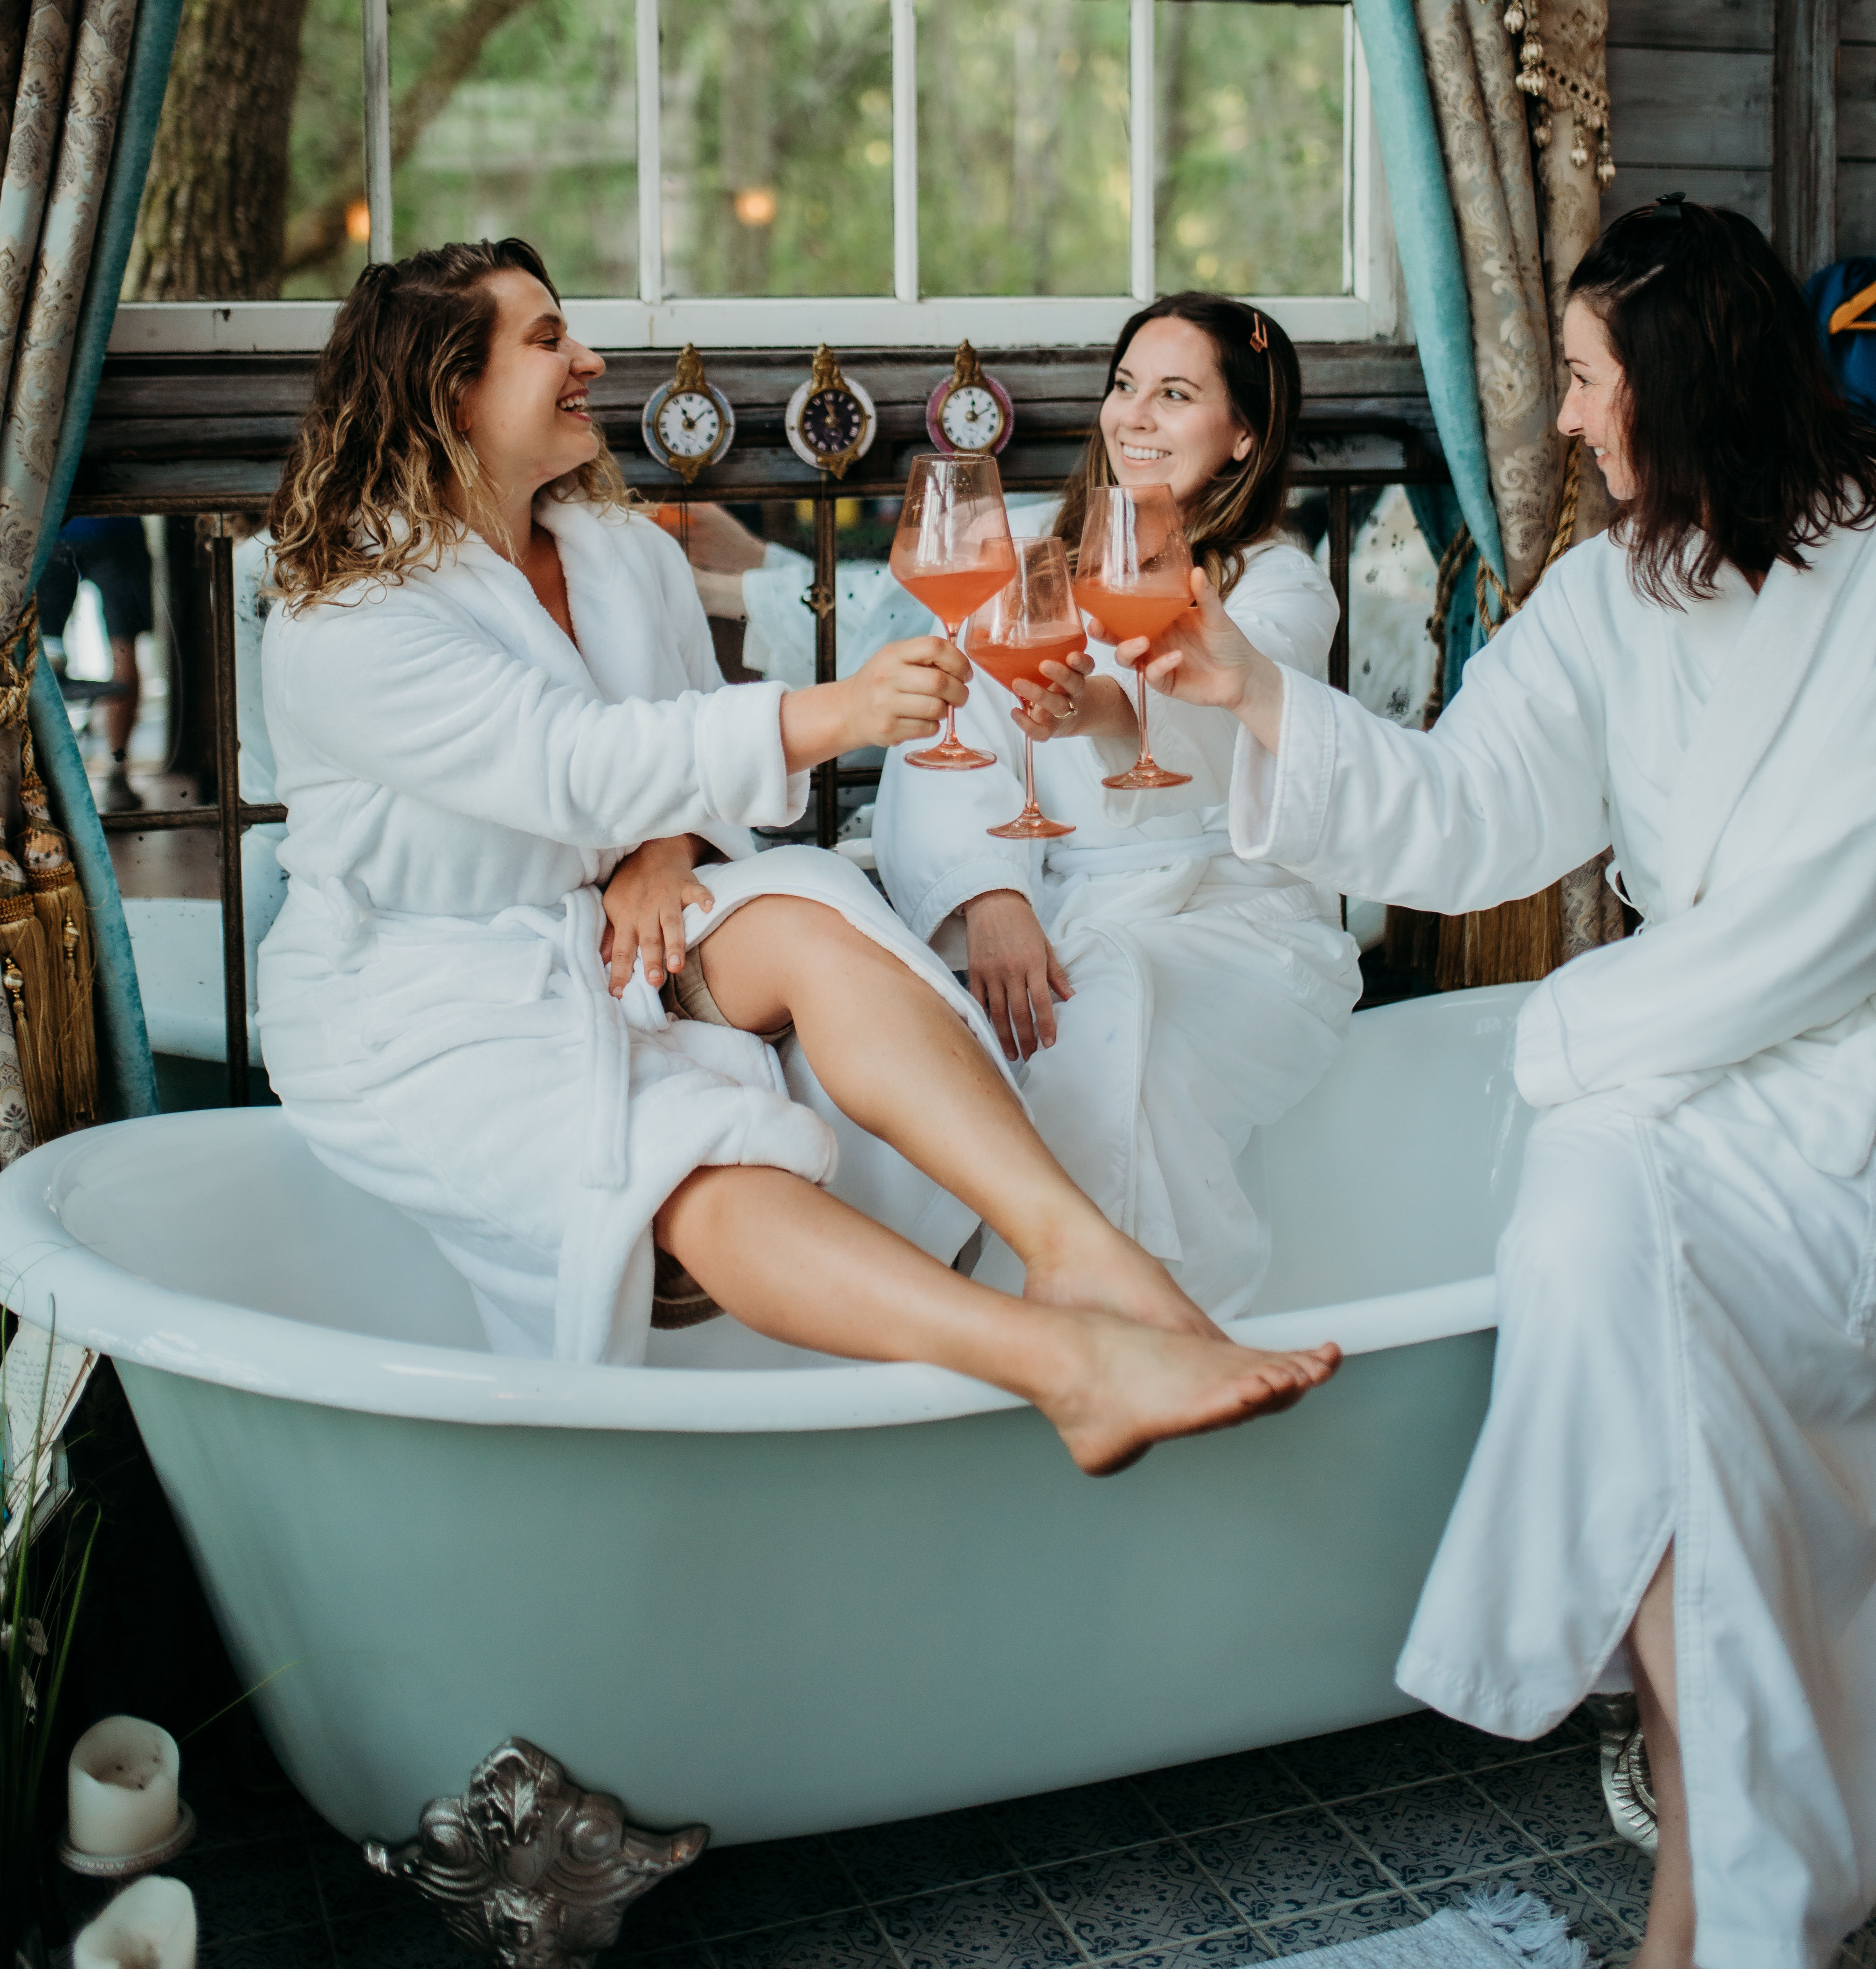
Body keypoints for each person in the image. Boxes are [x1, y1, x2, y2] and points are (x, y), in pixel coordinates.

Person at [254, 240, 1340, 1477]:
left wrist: (665, 850)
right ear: (448, 389)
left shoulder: (623, 555)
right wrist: (840, 717)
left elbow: (673, 731)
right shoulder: (351, 619)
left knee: (816, 906)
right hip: (420, 991)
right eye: (551, 339)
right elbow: (570, 758)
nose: (592, 360)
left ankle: (1080, 1251)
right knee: (689, 1160)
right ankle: (1067, 1365)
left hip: (613, 930)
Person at [1116, 202, 1876, 1965]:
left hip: (1831, 1077)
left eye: (1587, 377)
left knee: (1649, 1356)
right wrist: (1238, 686)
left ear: (1679, 387)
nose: (1558, 416)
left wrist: (1561, 1033)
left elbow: (1837, 922)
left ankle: (1714, 1904)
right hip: (1658, 1078)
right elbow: (1459, 811)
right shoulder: (1608, 592)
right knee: (1575, 1254)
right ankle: (1736, 1903)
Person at [874, 294, 1360, 1319]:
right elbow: (944, 738)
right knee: (912, 1053)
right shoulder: (1023, 556)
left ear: (1242, 436)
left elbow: (1239, 717)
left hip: (1238, 925)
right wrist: (986, 898)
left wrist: (1100, 708)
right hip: (1054, 909)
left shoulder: (1277, 585)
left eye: (1174, 395)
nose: (1132, 416)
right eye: (1124, 386)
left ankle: (1140, 1324)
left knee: (1107, 1028)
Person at [39, 515, 152, 811]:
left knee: (44, 653)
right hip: (116, 527)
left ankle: (42, 777)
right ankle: (117, 773)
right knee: (124, 649)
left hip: (56, 523)